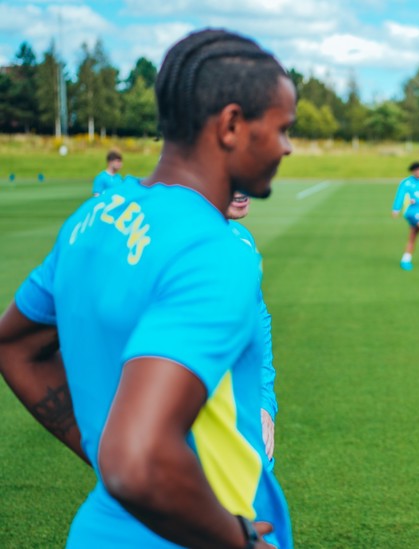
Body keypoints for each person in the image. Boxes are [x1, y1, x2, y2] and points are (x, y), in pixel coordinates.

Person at [0, 29, 296, 548]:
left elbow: (15, 344)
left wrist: (105, 456)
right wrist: (237, 539)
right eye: (282, 129)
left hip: (100, 530)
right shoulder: (216, 251)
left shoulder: (94, 218)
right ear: (230, 125)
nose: (287, 148)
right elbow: (136, 459)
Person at [227, 192, 278, 469]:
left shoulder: (242, 237)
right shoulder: (165, 243)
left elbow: (258, 321)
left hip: (247, 415)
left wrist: (263, 400)